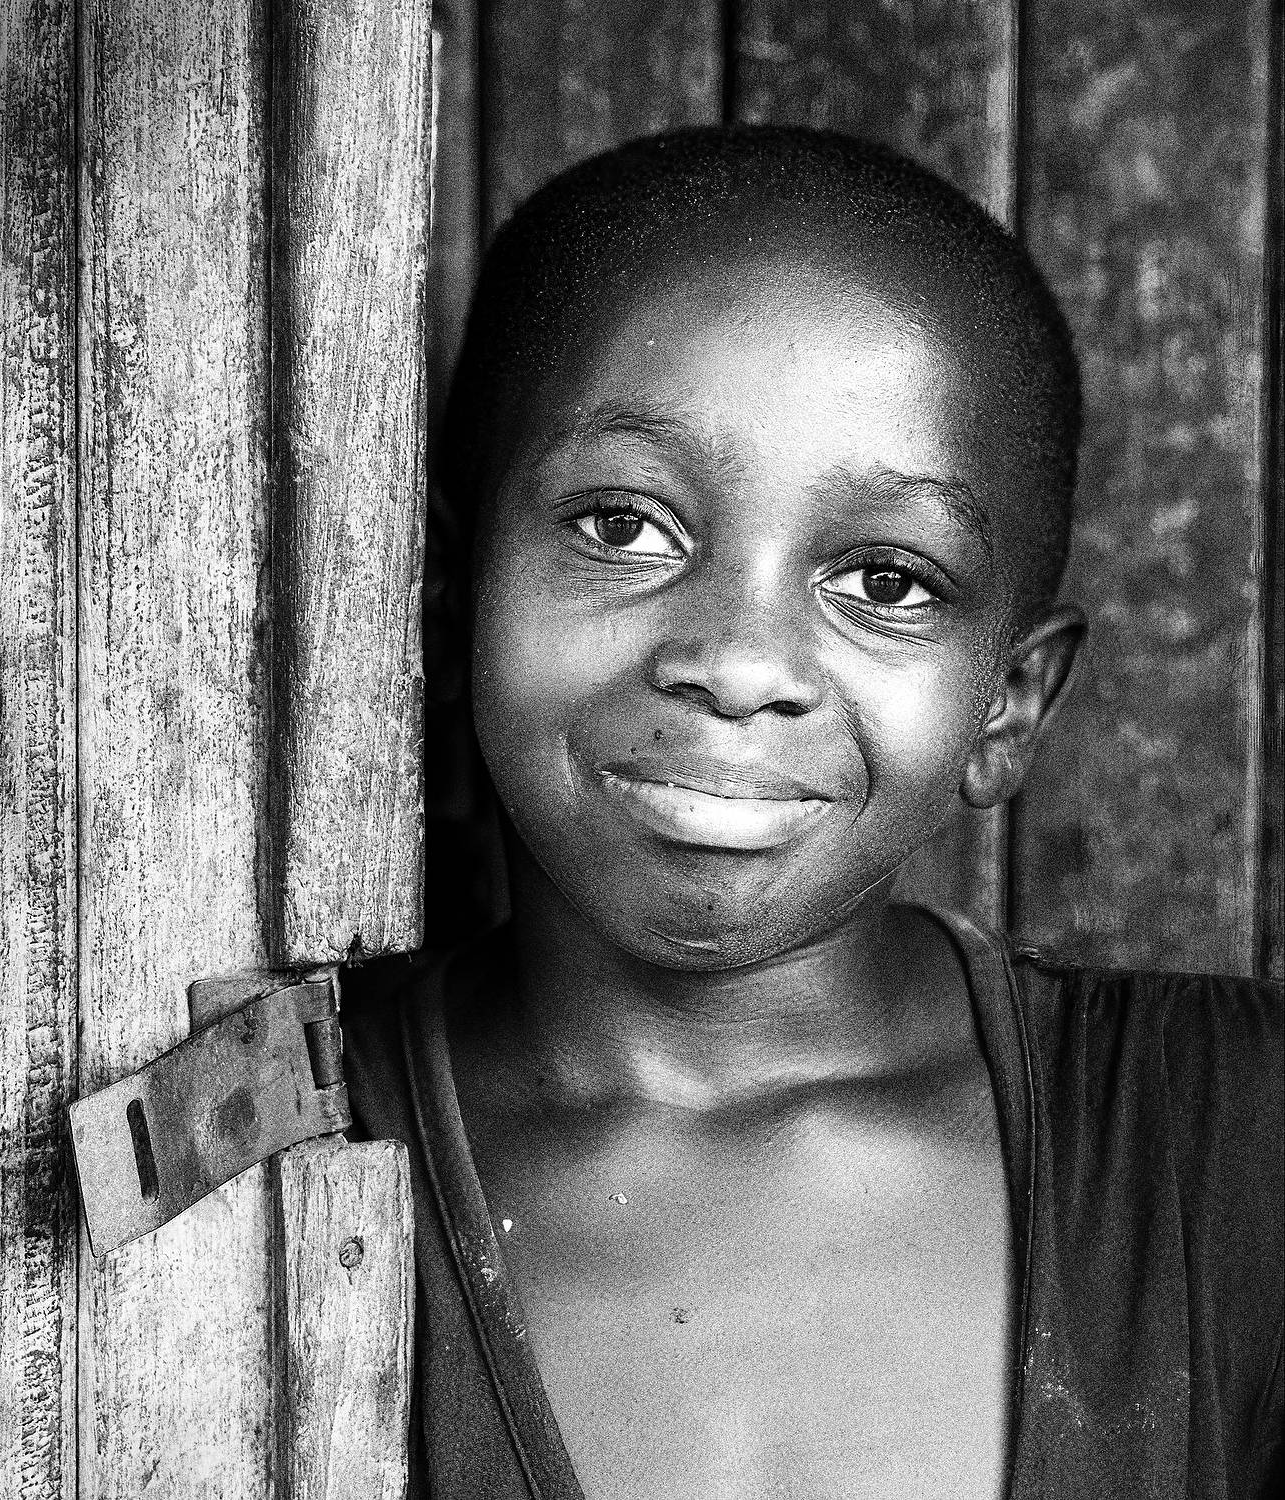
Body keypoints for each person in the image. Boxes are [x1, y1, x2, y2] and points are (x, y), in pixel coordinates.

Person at [343, 126, 1283, 1499]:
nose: (739, 663)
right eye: (624, 526)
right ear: (443, 592)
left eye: (886, 582)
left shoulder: (1235, 1145)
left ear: (1010, 703)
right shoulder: (266, 1147)